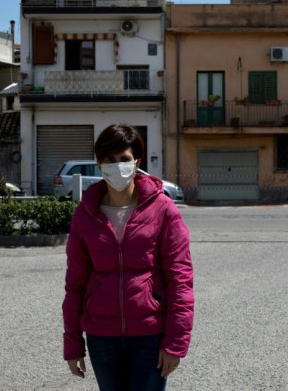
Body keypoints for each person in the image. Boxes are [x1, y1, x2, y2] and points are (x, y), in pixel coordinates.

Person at [62, 123, 194, 391]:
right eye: (109, 160)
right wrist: (73, 343)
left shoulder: (163, 209)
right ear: (99, 164)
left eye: (124, 159)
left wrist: (175, 343)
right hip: (102, 338)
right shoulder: (85, 214)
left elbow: (180, 279)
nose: (117, 166)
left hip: (150, 336)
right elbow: (75, 283)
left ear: (137, 162)